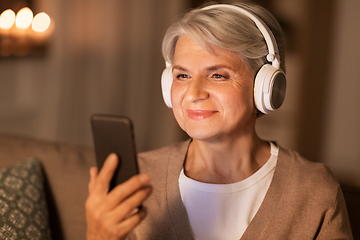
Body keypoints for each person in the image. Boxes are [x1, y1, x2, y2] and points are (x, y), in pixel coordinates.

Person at [85, 2, 353, 240]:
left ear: (265, 87)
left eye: (218, 75)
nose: (194, 94)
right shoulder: (136, 181)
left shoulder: (313, 189)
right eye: (182, 76)